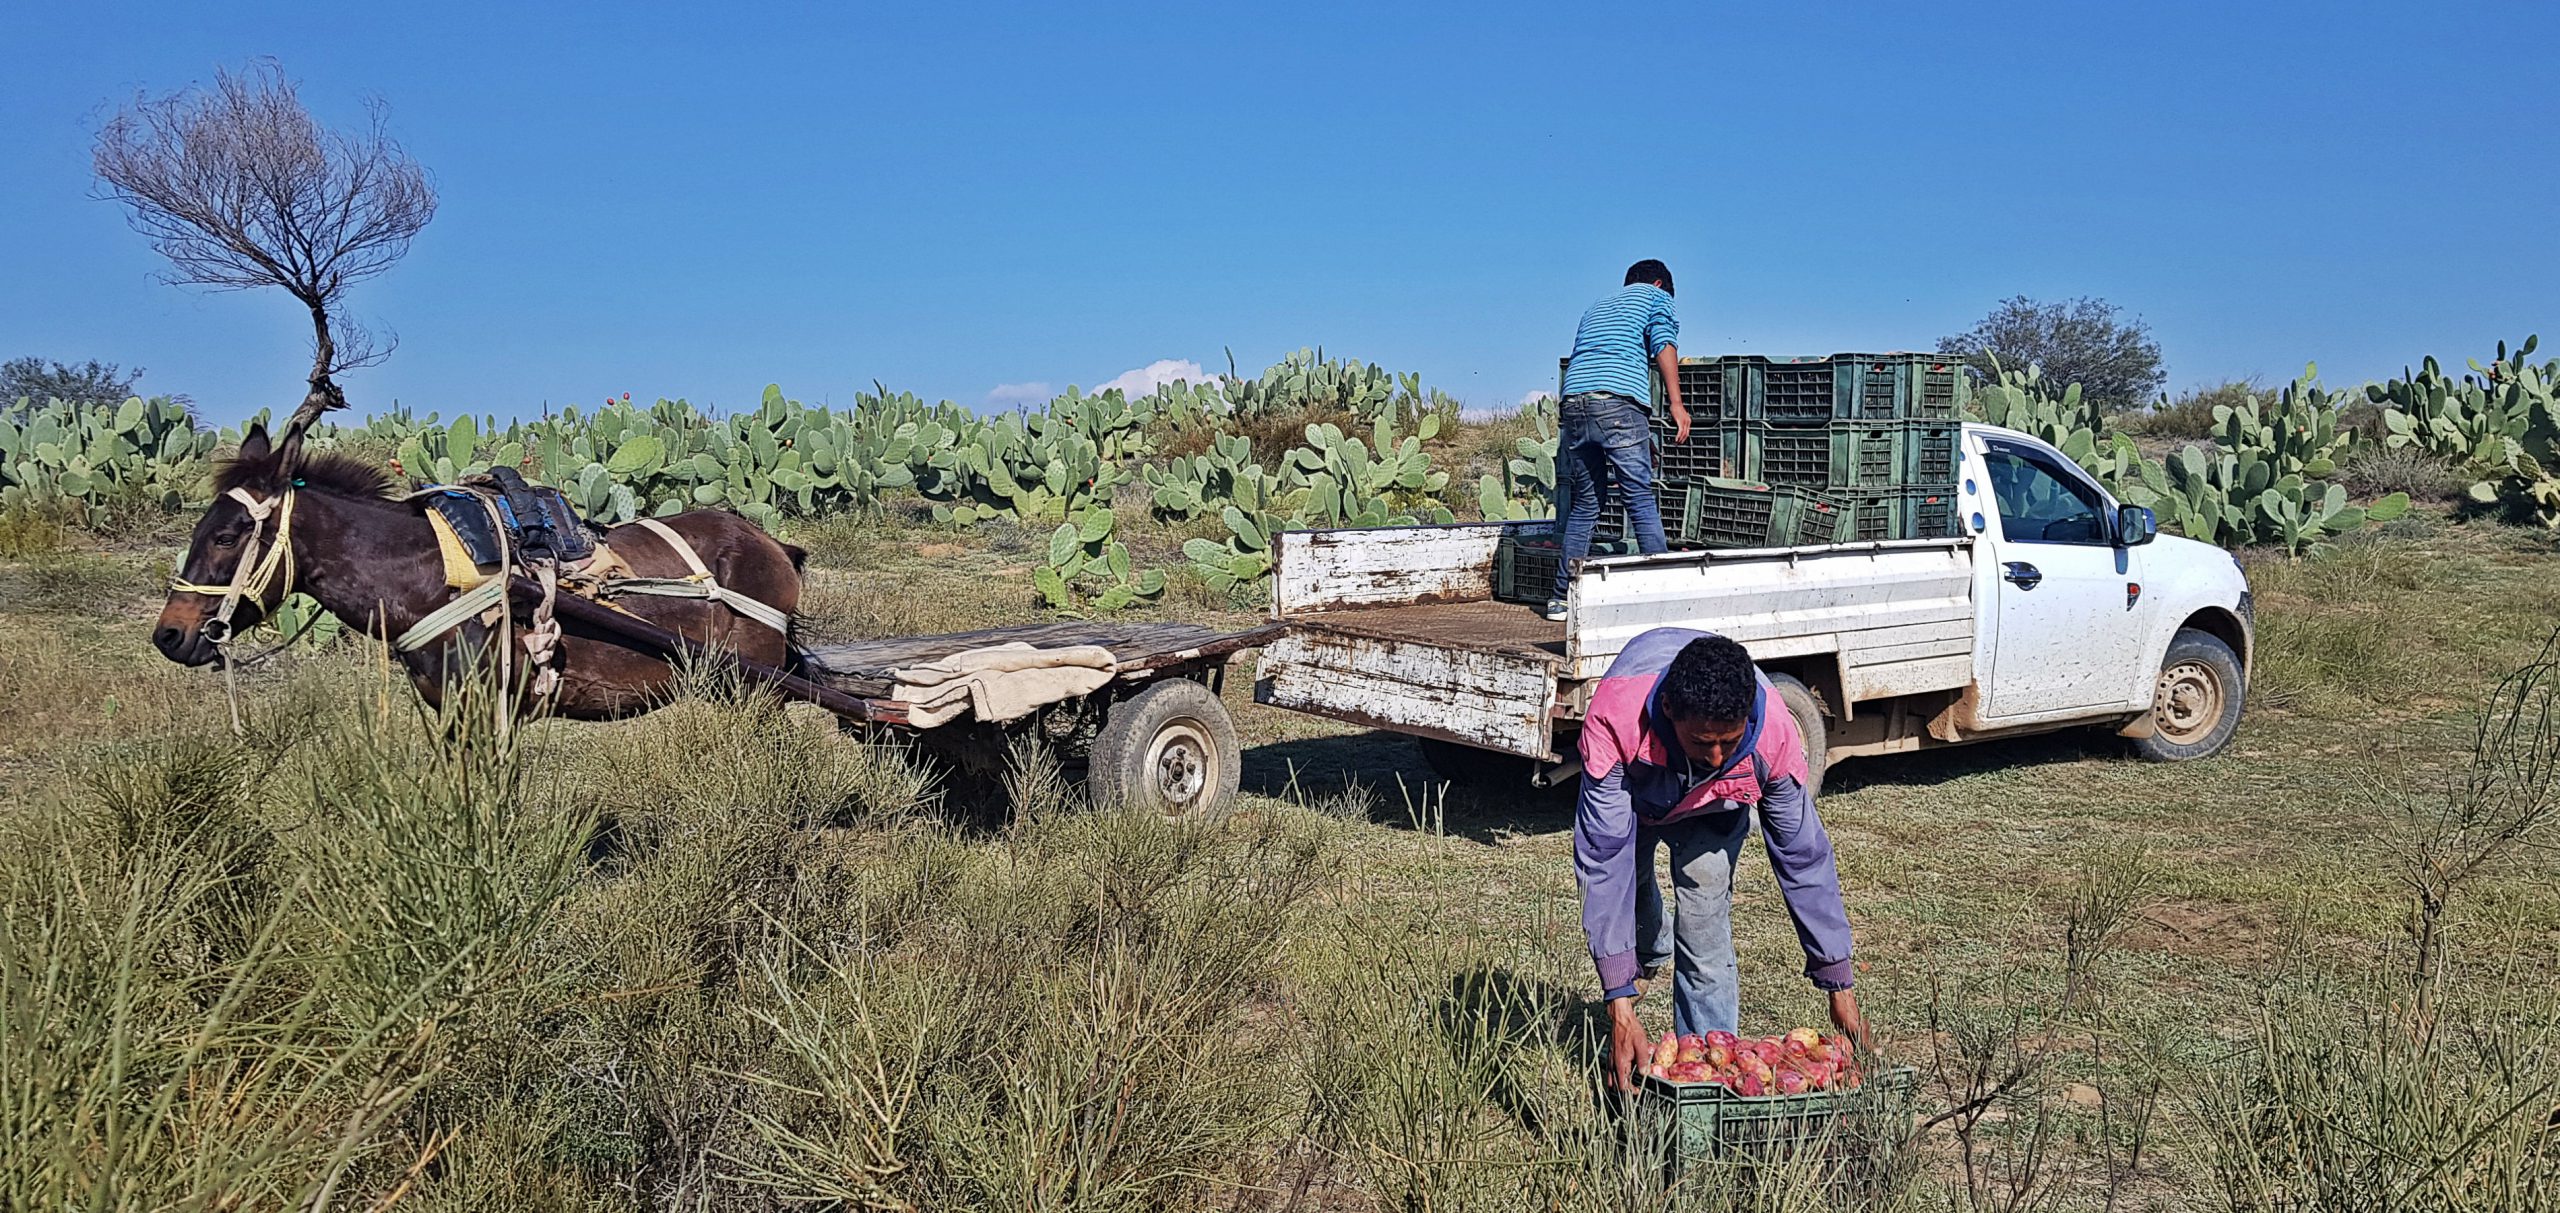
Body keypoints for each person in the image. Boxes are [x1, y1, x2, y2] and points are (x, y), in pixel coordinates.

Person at [1573, 627, 1867, 1092]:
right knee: (1629, 891)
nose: (1715, 756)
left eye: (1728, 743)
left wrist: (1839, 984)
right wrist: (1619, 1004)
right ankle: (1645, 952)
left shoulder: (1773, 734)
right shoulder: (1615, 719)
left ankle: (1702, 1083)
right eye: (1702, 742)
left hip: (1715, 810)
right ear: (1669, 711)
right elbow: (1603, 857)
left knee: (1705, 928)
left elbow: (1803, 857)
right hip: (1638, 796)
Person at [1547, 259, 1689, 621]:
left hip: (1574, 403)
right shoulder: (1656, 299)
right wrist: (1676, 403)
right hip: (1618, 403)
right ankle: (1664, 593)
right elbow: (1663, 345)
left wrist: (1640, 436)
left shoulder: (1597, 306)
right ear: (1659, 283)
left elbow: (1602, 367)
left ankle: (1561, 598)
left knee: (1586, 503)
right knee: (1639, 496)